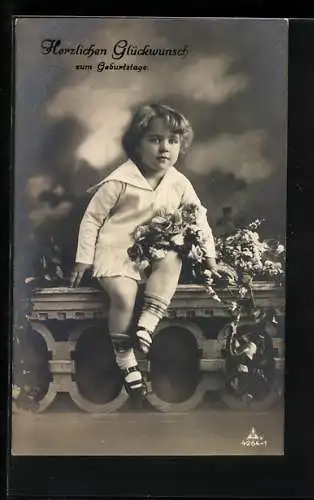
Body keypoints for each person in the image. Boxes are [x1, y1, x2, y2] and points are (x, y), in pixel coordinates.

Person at [70, 103, 220, 396]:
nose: (165, 148)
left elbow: (198, 217)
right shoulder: (120, 181)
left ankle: (147, 323)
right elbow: (93, 219)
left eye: (172, 141)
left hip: (154, 252)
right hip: (117, 251)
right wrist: (83, 259)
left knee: (174, 255)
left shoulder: (178, 182)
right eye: (155, 140)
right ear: (137, 144)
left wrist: (210, 256)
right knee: (124, 298)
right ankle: (125, 358)